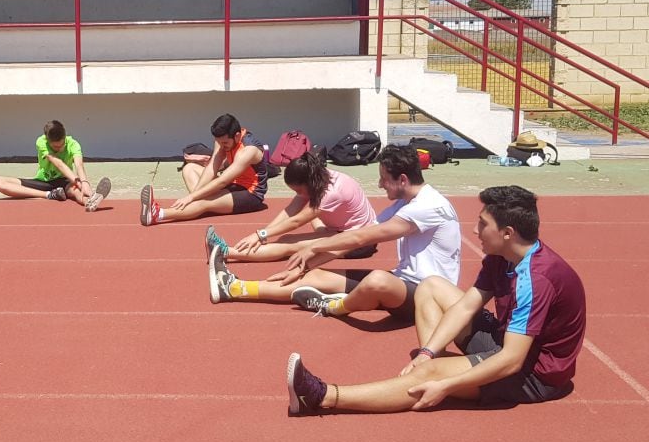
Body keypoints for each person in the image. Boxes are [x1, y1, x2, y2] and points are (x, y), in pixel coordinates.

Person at [285, 185, 586, 414]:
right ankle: (435, 369)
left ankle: (322, 397)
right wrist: (428, 352)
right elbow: (466, 305)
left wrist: (445, 385)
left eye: (483, 224)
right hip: (507, 340)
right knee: (431, 286)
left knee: (432, 377)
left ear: (507, 232)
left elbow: (512, 360)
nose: (474, 230)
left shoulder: (536, 279)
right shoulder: (502, 256)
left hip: (531, 373)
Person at [209, 144, 461, 322]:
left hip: (429, 295)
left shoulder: (429, 207)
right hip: (402, 283)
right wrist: (307, 264)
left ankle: (336, 306)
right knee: (313, 276)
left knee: (377, 280)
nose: (380, 184)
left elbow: (364, 237)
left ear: (402, 179)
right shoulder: (404, 203)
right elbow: (353, 239)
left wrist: (315, 247)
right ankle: (234, 288)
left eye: (384, 179)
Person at [204, 151, 377, 266]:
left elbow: (296, 221)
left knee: (288, 242)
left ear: (307, 182)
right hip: (341, 228)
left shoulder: (332, 193)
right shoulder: (318, 177)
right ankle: (319, 237)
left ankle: (225, 252)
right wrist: (264, 233)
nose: (298, 194)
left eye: (299, 190)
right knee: (295, 231)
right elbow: (290, 211)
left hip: (358, 241)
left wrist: (260, 235)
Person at [139, 113, 267, 226]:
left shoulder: (248, 151)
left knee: (205, 201)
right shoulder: (224, 139)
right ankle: (193, 208)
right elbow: (212, 167)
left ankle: (158, 214)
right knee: (189, 168)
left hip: (251, 194)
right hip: (233, 184)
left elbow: (222, 181)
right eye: (219, 142)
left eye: (225, 143)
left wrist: (192, 198)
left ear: (237, 136)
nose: (222, 146)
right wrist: (195, 195)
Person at [0, 120, 111, 210]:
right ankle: (49, 195)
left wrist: (84, 183)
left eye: (61, 145)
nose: (58, 149)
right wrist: (79, 182)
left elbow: (79, 164)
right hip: (43, 182)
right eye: (55, 147)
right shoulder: (41, 142)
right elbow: (58, 163)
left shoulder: (74, 144)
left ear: (65, 137)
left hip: (65, 181)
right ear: (47, 140)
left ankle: (90, 201)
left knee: (75, 192)